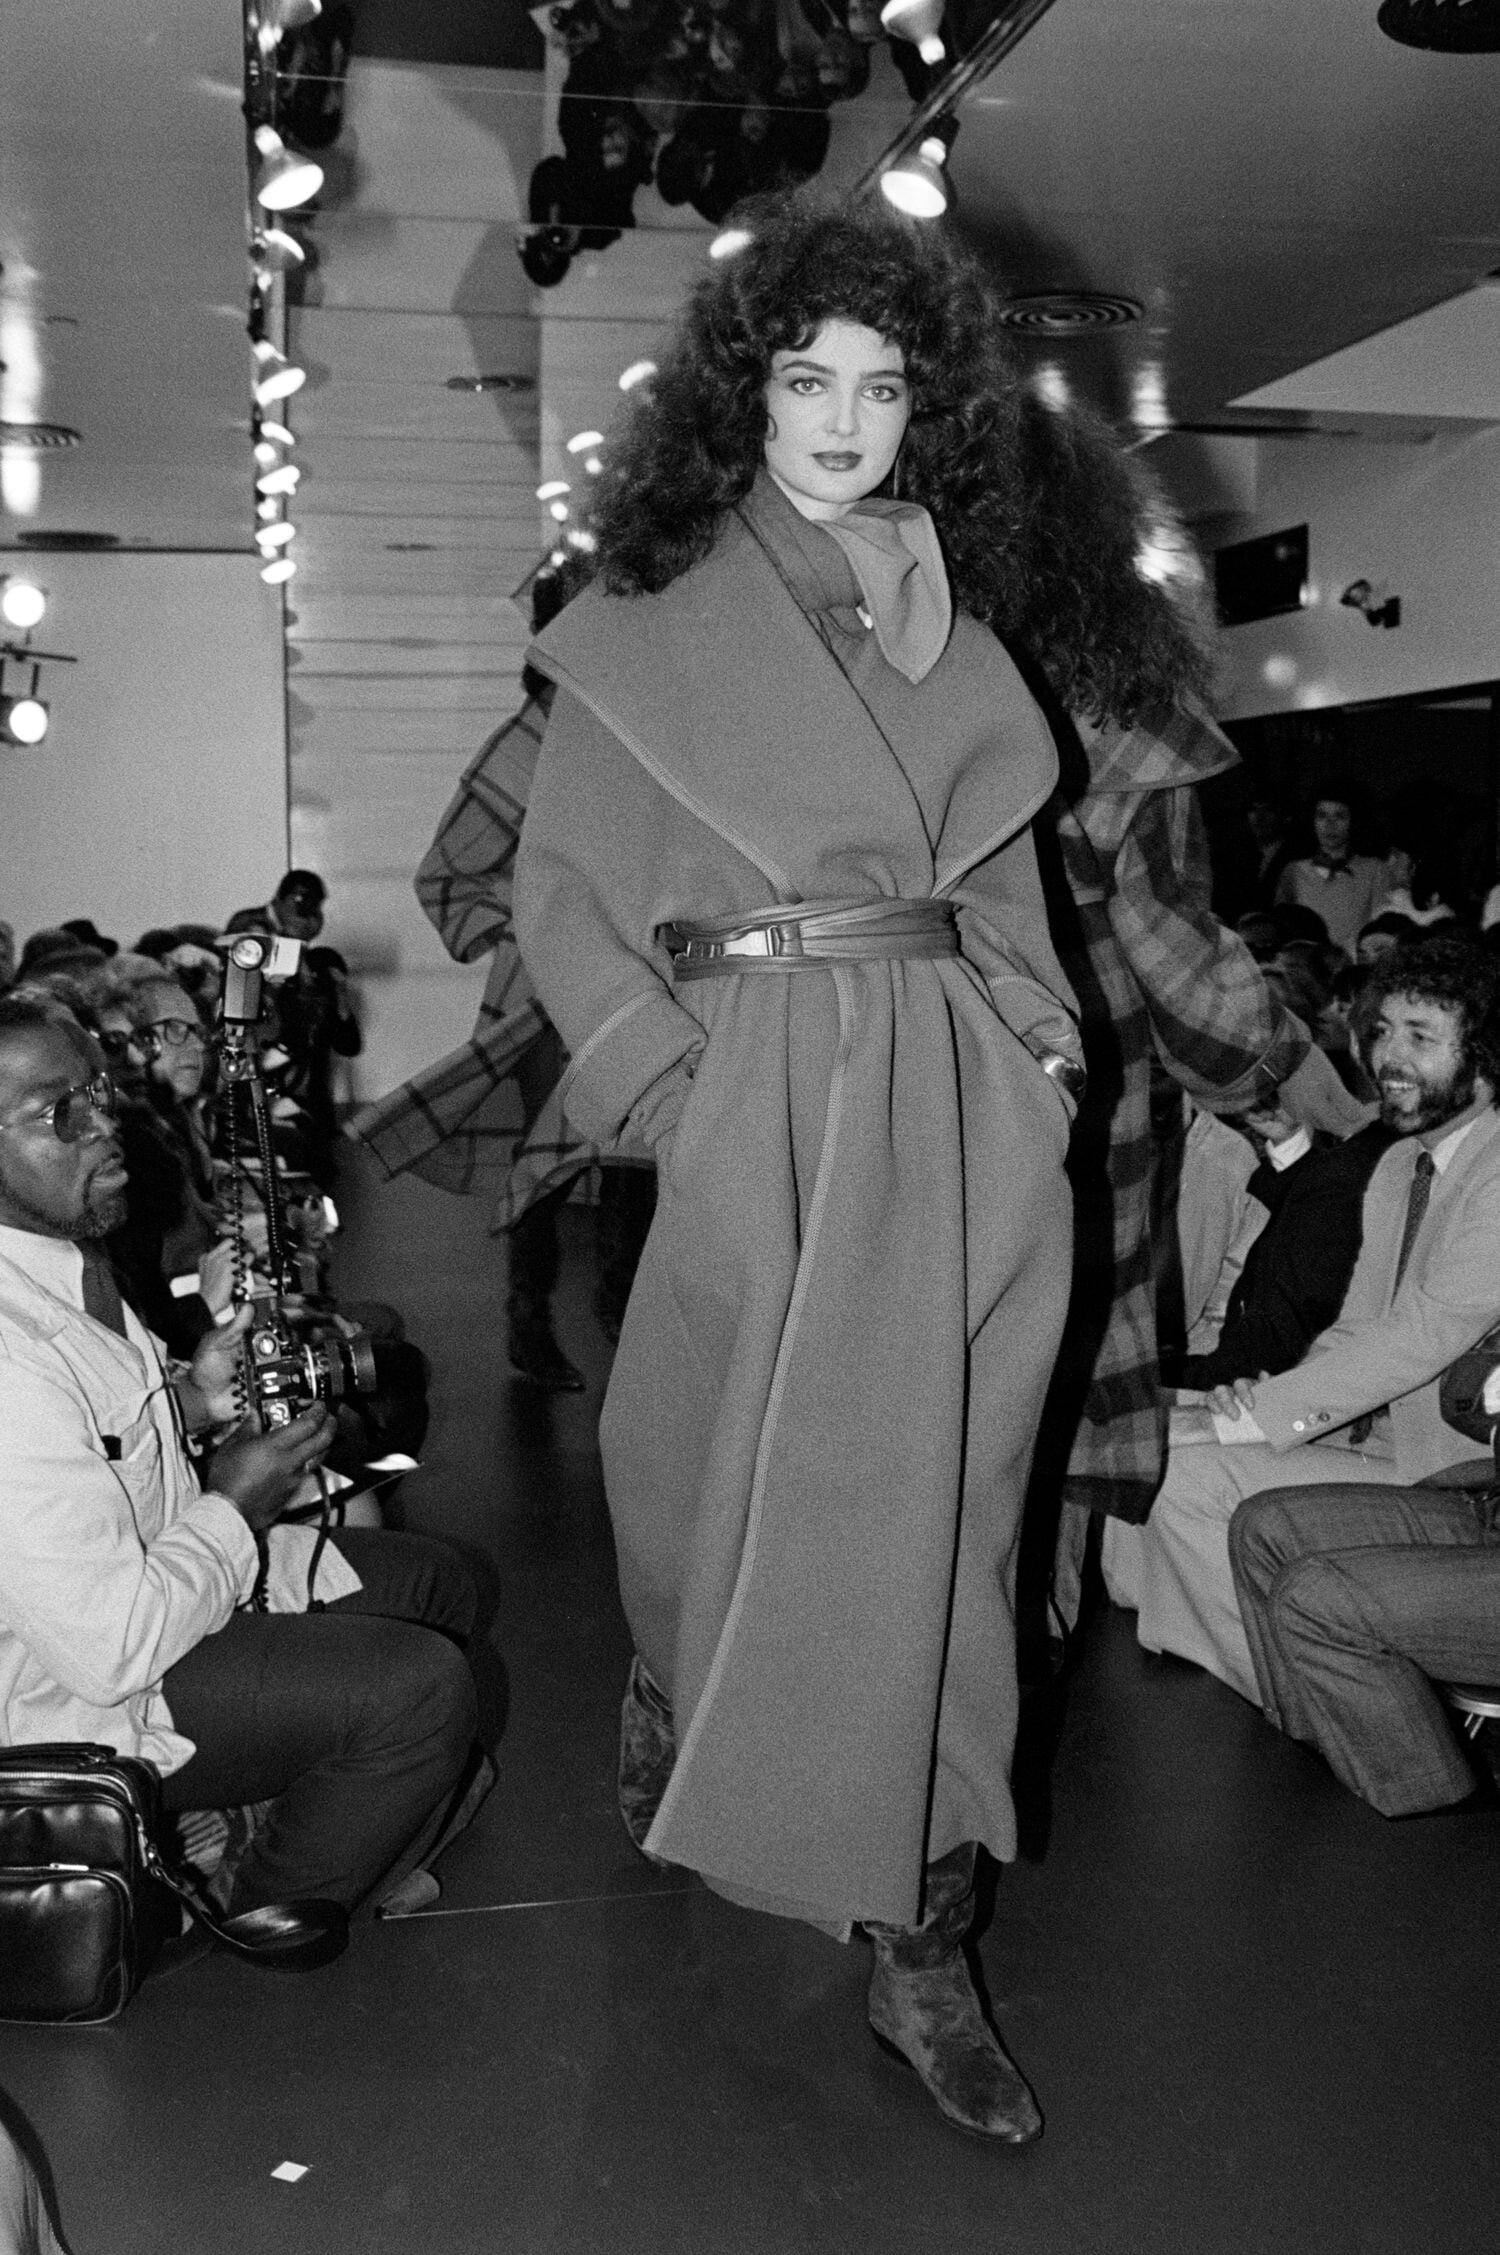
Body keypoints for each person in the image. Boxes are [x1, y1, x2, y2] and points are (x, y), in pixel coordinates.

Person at [515, 193, 1085, 2143]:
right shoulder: (648, 624)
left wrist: (1040, 1056)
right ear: (740, 396)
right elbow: (564, 895)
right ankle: (678, 1687)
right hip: (752, 1100)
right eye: (806, 378)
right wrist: (675, 1097)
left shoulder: (965, 640)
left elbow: (1005, 903)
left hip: (953, 1130)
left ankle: (927, 1943)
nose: (844, 420)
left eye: (882, 386)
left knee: (951, 1537)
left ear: (928, 409)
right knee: (704, 1479)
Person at [0, 994, 484, 1917]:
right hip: (73, 1697)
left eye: (101, 1092)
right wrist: (236, 1504)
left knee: (435, 1584)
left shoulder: (60, 1259)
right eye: (60, 1111)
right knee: (421, 1690)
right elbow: (110, 1651)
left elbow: (99, 1433)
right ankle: (242, 1918)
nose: (104, 1124)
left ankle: (325, 1845)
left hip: (153, 1583)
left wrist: (195, 1396)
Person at [1109, 937, 1500, 1701]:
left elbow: (1422, 1334)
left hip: (1456, 1469)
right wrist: (1255, 1404)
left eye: (1422, 1037)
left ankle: (1311, 1697)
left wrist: (1250, 1421)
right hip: (1376, 1439)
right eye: (1381, 1031)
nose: (1390, 1056)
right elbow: (1359, 1329)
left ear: (1485, 1054)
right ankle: (1277, 1689)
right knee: (1143, 1448)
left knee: (1178, 1471)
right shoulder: (1403, 1163)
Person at [350, 558, 656, 1390]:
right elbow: (446, 874)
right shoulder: (535, 737)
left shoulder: (656, 724)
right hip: (551, 994)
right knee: (549, 1164)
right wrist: (538, 925)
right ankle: (531, 1325)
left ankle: (625, 1330)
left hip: (643, 981)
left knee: (638, 1155)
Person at [225, 872, 362, 1185]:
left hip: (289, 1053)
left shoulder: (299, 938)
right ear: (283, 898)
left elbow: (308, 999)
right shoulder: (251, 925)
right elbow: (256, 985)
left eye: (314, 906)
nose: (309, 914)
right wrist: (290, 943)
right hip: (256, 1043)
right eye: (301, 902)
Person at [1274, 786, 1385, 957]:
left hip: (1354, 964)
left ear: (1354, 821)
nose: (1329, 825)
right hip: (1308, 963)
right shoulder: (1294, 871)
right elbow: (1281, 927)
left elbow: (1380, 928)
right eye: (1322, 816)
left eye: (1339, 816)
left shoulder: (1374, 869)